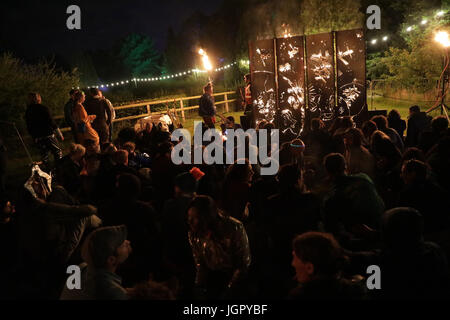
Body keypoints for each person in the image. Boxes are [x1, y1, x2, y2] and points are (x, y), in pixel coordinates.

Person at [188, 195, 251, 299]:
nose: (190, 221)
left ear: (207, 217)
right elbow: (200, 262)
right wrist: (199, 285)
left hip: (234, 277)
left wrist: (229, 289)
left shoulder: (234, 228)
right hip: (213, 277)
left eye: (195, 218)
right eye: (189, 217)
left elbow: (243, 264)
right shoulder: (194, 232)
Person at [322, 153, 385, 249]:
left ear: (326, 171)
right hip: (381, 227)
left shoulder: (333, 197)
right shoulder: (364, 178)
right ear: (345, 166)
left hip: (358, 242)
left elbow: (332, 228)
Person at [60, 225, 132, 300]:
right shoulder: (115, 293)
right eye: (123, 244)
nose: (128, 242)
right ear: (111, 260)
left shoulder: (81, 268)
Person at [288, 232, 366, 300]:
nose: (292, 263)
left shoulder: (300, 296)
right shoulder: (355, 292)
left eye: (295, 257)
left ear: (309, 268)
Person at [25, 93, 64, 170]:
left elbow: (29, 126)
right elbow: (51, 121)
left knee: (44, 155)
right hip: (48, 135)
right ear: (38, 99)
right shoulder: (43, 108)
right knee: (57, 152)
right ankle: (59, 169)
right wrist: (59, 133)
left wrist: (33, 137)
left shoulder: (28, 111)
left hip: (38, 137)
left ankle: (47, 170)